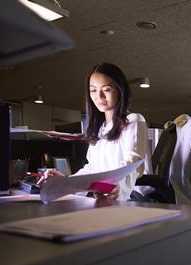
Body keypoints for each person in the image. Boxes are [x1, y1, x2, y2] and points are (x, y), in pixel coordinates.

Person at [38, 62, 151, 201]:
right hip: (104, 192)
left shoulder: (133, 120)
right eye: (93, 90)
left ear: (120, 90)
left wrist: (117, 186)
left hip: (130, 195)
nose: (99, 96)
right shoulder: (99, 130)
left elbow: (133, 164)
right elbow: (92, 169)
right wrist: (66, 182)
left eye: (107, 89)